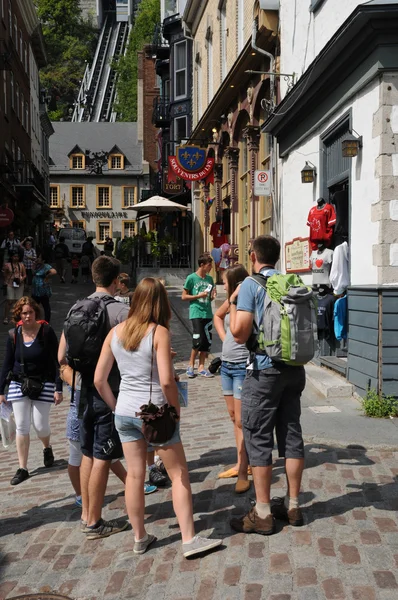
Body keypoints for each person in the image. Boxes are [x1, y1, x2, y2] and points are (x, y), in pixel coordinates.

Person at [94, 277, 222, 557]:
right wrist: (175, 410)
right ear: (160, 302)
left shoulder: (115, 333)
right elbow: (166, 381)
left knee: (135, 476)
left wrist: (117, 407)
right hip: (154, 413)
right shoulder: (159, 332)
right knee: (178, 475)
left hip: (125, 411)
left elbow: (99, 380)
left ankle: (140, 537)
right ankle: (188, 539)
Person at [228, 235, 306, 535]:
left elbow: (238, 333)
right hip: (294, 370)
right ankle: (293, 504)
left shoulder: (250, 285)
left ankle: (262, 512)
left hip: (264, 370)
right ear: (277, 258)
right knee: (291, 433)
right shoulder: (288, 282)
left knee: (258, 436)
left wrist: (234, 303)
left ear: (253, 256)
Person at [59, 256, 130, 540]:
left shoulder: (76, 307)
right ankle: (95, 522)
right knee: (103, 456)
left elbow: (62, 357)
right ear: (116, 281)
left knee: (88, 453)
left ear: (92, 277)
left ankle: (87, 514)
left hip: (83, 391)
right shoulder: (119, 312)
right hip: (109, 390)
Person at [58, 363, 157, 506]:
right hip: (79, 418)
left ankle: (131, 483)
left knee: (108, 455)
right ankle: (80, 494)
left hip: (93, 416)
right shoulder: (68, 369)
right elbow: (84, 384)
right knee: (77, 458)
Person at [0, 297, 63, 485]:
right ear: (19, 315)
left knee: (41, 425)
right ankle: (23, 468)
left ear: (36, 313)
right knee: (22, 425)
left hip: (43, 383)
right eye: (24, 313)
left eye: (30, 312)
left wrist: (58, 387)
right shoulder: (14, 335)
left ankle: (47, 446)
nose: (27, 316)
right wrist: (1, 390)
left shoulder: (46, 332)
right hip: (19, 384)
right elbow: (7, 364)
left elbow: (57, 361)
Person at [214, 264, 251, 493]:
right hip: (226, 366)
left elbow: (242, 331)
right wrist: (224, 337)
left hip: (241, 366)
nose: (222, 285)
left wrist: (237, 299)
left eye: (225, 282)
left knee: (241, 420)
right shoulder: (232, 301)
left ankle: (244, 466)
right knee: (232, 416)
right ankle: (241, 463)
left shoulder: (244, 301)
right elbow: (218, 316)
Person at [182, 254, 216, 378]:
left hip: (207, 312)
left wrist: (211, 297)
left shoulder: (209, 280)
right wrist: (198, 296)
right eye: (209, 265)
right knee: (197, 340)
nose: (211, 267)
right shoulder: (191, 278)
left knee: (206, 341)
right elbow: (184, 296)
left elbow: (209, 297)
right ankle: (191, 365)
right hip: (196, 312)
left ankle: (201, 366)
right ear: (202, 265)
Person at [3, 250, 27, 324]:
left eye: (17, 256)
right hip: (10, 284)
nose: (15, 258)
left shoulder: (21, 265)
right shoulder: (7, 265)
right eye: (14, 256)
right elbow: (4, 274)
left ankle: (17, 317)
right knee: (9, 301)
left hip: (19, 284)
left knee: (18, 301)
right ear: (11, 257)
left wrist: (21, 279)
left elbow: (24, 275)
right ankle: (6, 317)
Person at [31, 254, 56, 323]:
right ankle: (34, 319)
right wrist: (34, 265)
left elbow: (54, 272)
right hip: (35, 290)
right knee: (33, 306)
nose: (38, 258)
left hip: (43, 290)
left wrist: (47, 277)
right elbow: (33, 273)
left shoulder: (46, 266)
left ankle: (47, 321)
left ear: (43, 260)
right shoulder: (37, 265)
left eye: (39, 257)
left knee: (46, 306)